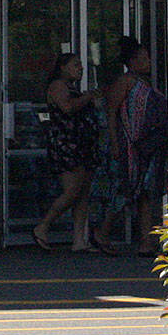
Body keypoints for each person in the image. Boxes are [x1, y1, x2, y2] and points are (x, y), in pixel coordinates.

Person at [93, 36, 168, 255]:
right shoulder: (125, 81)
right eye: (143, 58)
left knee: (146, 192)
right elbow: (111, 112)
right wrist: (115, 143)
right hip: (130, 145)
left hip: (149, 146)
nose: (148, 62)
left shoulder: (146, 83)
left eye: (148, 58)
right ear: (132, 61)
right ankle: (103, 232)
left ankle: (146, 242)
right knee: (125, 190)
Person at [32, 52, 102, 251]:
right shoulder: (58, 86)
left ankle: (79, 239)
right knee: (72, 190)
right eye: (75, 65)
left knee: (82, 193)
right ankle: (43, 225)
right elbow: (67, 108)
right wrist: (88, 97)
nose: (80, 69)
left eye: (80, 65)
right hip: (67, 144)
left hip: (83, 144)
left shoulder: (73, 88)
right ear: (62, 67)